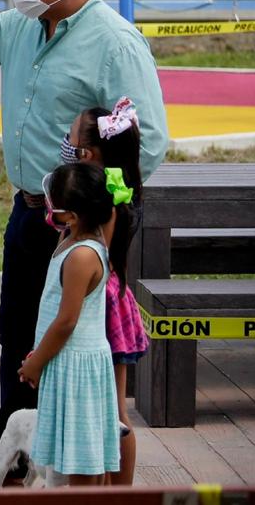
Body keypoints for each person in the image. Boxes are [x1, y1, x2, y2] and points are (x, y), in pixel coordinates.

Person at [0, 0, 167, 488]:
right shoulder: (20, 28)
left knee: (76, 344)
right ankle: (7, 461)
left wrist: (93, 210)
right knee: (17, 333)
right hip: (30, 211)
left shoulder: (114, 43)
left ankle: (81, 465)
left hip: (82, 226)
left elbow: (148, 141)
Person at [19, 162, 121, 486]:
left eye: (55, 205)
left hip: (75, 364)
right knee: (85, 454)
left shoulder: (82, 256)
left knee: (84, 463)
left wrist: (36, 362)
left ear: (74, 215)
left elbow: (66, 322)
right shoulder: (78, 236)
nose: (49, 208)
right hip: (67, 361)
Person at [66, 98, 147, 484]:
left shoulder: (104, 198)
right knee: (115, 411)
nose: (65, 145)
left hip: (101, 306)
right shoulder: (120, 185)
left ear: (88, 152)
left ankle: (112, 491)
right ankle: (120, 492)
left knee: (111, 414)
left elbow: (90, 250)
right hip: (114, 301)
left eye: (71, 138)